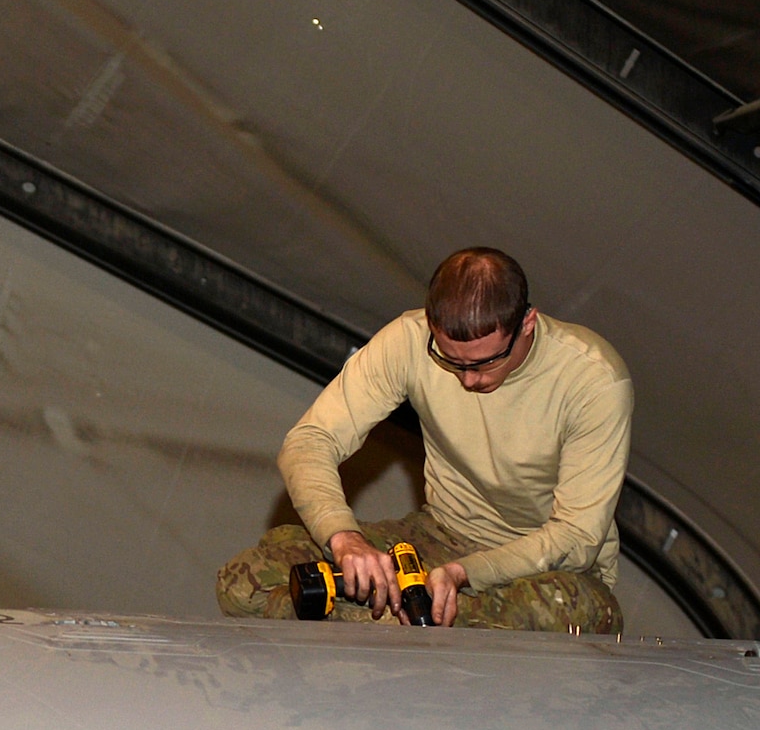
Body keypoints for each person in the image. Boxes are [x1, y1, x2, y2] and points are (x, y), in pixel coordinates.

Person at [217, 247, 632, 631]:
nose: (468, 379)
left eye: (486, 362)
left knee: (575, 612)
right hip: (438, 538)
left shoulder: (592, 379)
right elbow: (310, 440)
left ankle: (395, 628)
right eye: (449, 361)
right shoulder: (408, 340)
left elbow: (577, 538)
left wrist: (465, 573)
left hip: (550, 572)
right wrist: (344, 539)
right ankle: (391, 629)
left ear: (527, 323)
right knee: (244, 582)